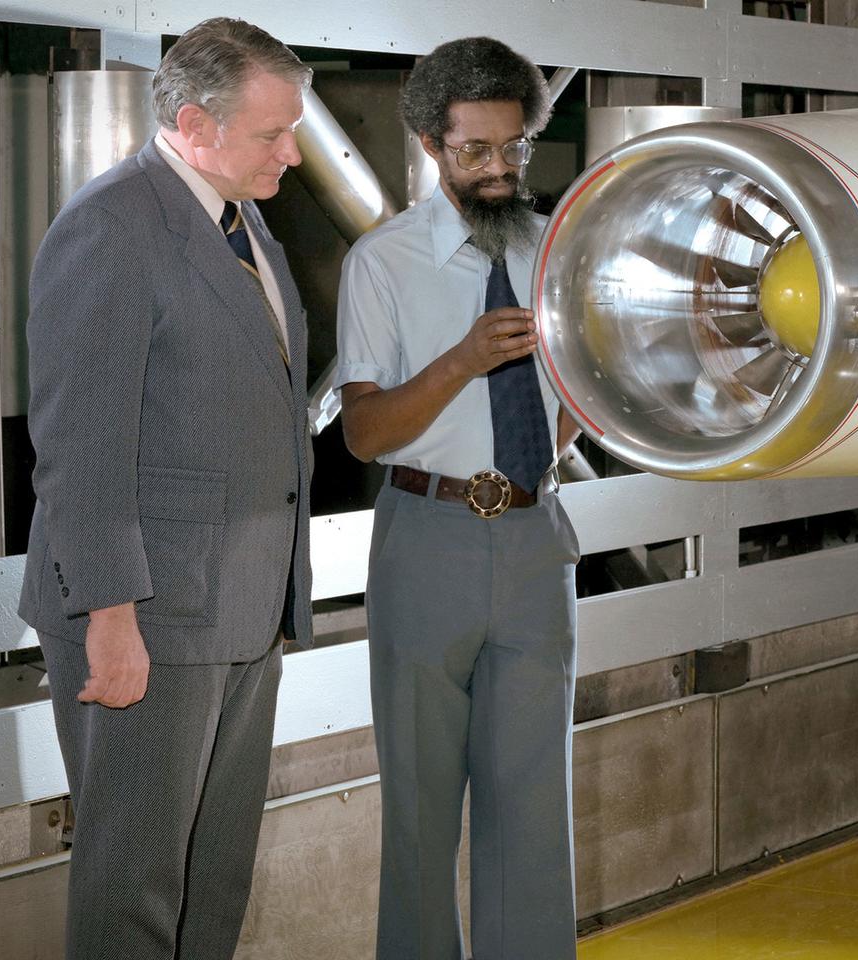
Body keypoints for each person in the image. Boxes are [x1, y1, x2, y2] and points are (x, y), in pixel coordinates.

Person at [19, 18, 313, 960]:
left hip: (237, 607)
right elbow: (80, 445)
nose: (295, 153)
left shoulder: (239, 215)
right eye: (274, 133)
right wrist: (109, 616)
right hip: (147, 615)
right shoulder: (111, 224)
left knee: (213, 880)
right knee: (136, 890)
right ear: (194, 122)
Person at [335, 36, 581, 960]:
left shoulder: (558, 248)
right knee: (421, 816)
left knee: (532, 812)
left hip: (531, 539)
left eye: (513, 148)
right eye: (475, 150)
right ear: (433, 145)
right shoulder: (382, 263)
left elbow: (576, 396)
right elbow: (363, 432)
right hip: (426, 538)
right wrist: (464, 361)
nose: (497, 168)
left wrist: (550, 443)